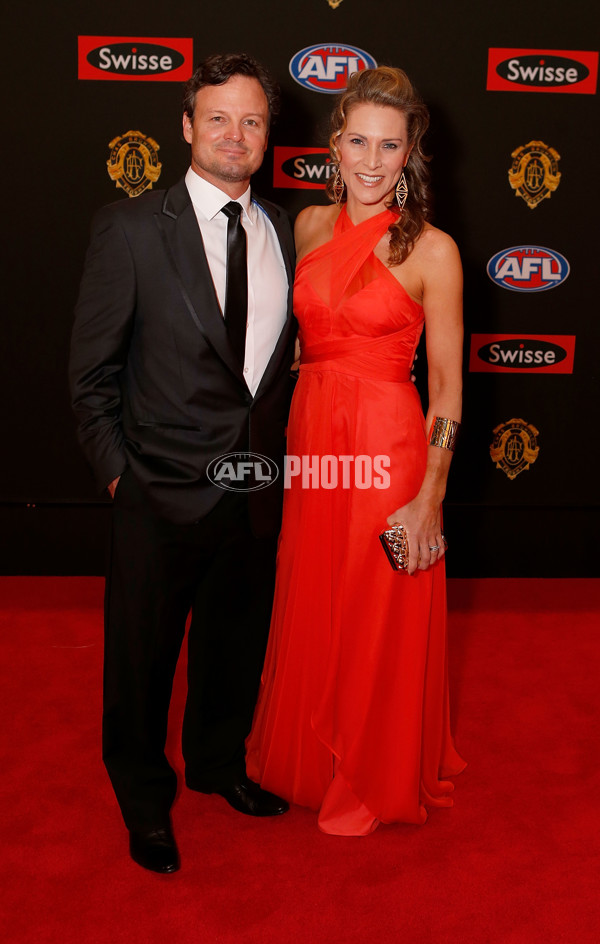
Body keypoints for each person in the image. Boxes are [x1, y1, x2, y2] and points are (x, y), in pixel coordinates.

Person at [69, 53, 296, 873]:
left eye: (253, 120)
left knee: (235, 646)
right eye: (219, 118)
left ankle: (217, 766)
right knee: (140, 659)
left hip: (254, 494)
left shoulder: (286, 232)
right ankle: (142, 798)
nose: (235, 135)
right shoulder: (130, 228)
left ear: (269, 134)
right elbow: (90, 374)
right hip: (155, 495)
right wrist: (119, 475)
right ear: (187, 127)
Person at [246, 66, 466, 835]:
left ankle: (370, 765)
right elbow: (304, 345)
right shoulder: (306, 227)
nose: (372, 162)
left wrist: (430, 496)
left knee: (375, 607)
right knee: (314, 594)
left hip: (388, 445)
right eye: (359, 143)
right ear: (334, 147)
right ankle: (313, 754)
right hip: (314, 438)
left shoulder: (434, 251)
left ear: (410, 157)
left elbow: (446, 393)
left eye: (391, 147)